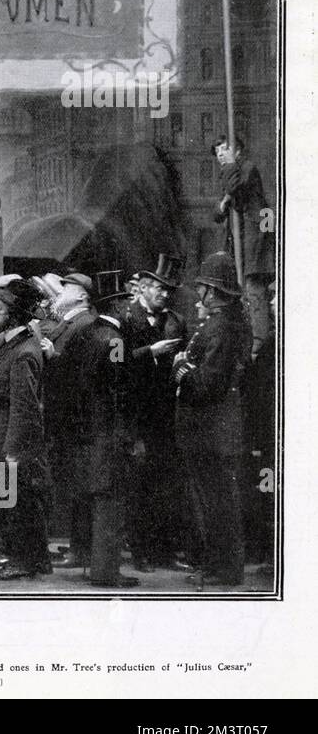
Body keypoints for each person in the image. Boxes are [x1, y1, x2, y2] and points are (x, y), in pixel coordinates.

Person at [175, 253, 253, 587]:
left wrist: (181, 370)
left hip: (211, 431)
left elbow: (208, 383)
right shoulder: (228, 322)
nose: (199, 294)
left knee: (216, 503)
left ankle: (223, 570)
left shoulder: (221, 326)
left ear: (212, 291)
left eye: (203, 287)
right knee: (216, 502)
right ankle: (219, 566)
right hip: (214, 431)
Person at [118, 255, 190, 572]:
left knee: (165, 484)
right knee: (139, 486)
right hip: (136, 415)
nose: (165, 295)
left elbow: (185, 353)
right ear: (144, 288)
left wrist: (181, 365)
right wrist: (152, 352)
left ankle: (165, 551)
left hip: (166, 416)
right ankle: (140, 552)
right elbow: (118, 362)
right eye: (160, 290)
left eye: (169, 291)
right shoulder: (125, 319)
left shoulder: (176, 321)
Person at [70, 271, 139, 588]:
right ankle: (106, 571)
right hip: (109, 432)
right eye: (126, 299)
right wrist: (129, 435)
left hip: (88, 430)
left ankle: (95, 565)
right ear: (117, 305)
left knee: (98, 499)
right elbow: (119, 391)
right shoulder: (114, 341)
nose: (129, 305)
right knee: (111, 501)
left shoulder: (86, 333)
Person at [0, 279, 49, 580]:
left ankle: (22, 561)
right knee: (14, 504)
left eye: (1, 303)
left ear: (16, 311)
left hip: (8, 445)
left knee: (16, 505)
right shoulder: (14, 345)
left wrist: (14, 452)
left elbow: (25, 407)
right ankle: (30, 559)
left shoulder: (24, 352)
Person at [43, 272, 98, 570]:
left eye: (66, 287)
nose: (60, 292)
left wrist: (55, 357)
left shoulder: (84, 324)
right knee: (74, 484)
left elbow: (83, 373)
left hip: (75, 420)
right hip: (64, 418)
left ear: (80, 294)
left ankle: (82, 550)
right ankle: (78, 546)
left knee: (79, 485)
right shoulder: (71, 322)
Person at [211, 136, 275, 358]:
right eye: (217, 151)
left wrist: (228, 192)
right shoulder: (229, 173)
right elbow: (217, 214)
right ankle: (247, 340)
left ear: (238, 151)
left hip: (254, 238)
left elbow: (236, 187)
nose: (220, 154)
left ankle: (259, 342)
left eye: (224, 149)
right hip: (238, 241)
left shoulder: (246, 168)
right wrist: (224, 201)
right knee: (240, 290)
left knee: (253, 288)